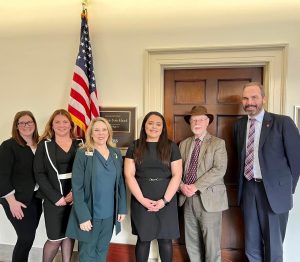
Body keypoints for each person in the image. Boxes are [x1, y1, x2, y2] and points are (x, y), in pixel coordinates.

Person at [234, 82, 300, 262]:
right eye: (246, 98)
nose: (250, 102)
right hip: (248, 190)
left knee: (273, 248)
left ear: (264, 98)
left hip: (274, 193)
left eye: (254, 97)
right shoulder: (239, 126)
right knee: (251, 245)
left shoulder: (282, 122)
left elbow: (296, 160)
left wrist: (285, 189)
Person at [66, 117, 127, 262]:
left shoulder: (115, 153)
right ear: (91, 134)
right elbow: (77, 187)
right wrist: (83, 216)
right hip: (90, 213)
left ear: (109, 132)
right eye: (97, 130)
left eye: (104, 129)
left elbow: (120, 184)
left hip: (110, 213)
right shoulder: (83, 153)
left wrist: (122, 208)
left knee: (102, 250)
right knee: (87, 253)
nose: (101, 133)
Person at [124, 111, 182, 262]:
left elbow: (177, 175)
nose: (154, 127)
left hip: (167, 199)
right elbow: (129, 175)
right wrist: (142, 200)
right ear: (144, 126)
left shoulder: (172, 146)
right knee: (143, 240)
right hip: (141, 198)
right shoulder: (134, 146)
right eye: (150, 123)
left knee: (165, 240)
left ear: (163, 128)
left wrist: (164, 200)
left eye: (158, 124)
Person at [178, 106, 228, 262]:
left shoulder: (218, 143)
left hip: (209, 200)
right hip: (187, 200)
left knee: (211, 245)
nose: (197, 122)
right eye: (193, 120)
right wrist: (180, 185)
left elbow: (219, 169)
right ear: (190, 123)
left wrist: (195, 186)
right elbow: (176, 170)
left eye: (200, 119)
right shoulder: (183, 144)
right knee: (192, 243)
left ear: (207, 122)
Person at [34, 109, 82, 262]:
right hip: (53, 197)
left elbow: (87, 171)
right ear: (52, 125)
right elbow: (39, 173)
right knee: (55, 239)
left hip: (75, 195)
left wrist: (76, 193)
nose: (61, 125)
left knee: (69, 234)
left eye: (65, 121)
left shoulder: (80, 143)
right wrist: (56, 197)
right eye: (57, 122)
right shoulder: (44, 145)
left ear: (71, 124)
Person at [0, 111, 42, 262]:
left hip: (36, 199)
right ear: (16, 126)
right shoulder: (8, 146)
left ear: (35, 124)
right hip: (16, 199)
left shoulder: (40, 144)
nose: (26, 126)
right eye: (22, 123)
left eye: (29, 122)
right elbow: (2, 176)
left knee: (28, 239)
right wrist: (12, 202)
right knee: (25, 238)